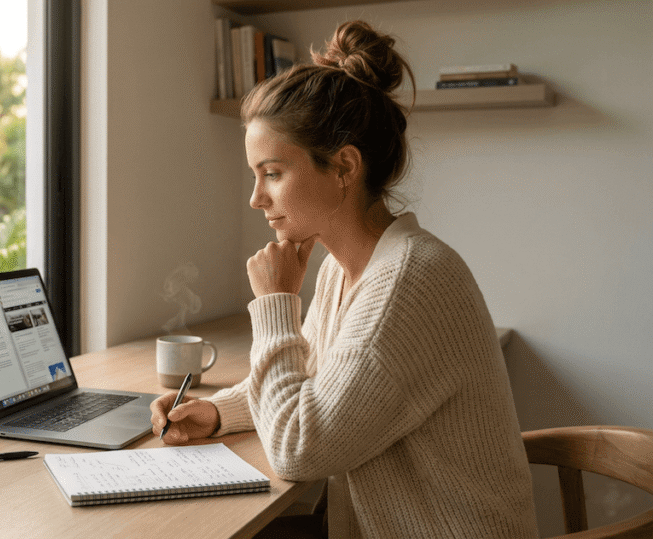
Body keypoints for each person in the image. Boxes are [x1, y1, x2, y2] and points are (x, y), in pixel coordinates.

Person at [150, 20, 539, 539]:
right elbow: (315, 381)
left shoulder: (409, 282)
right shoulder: (345, 266)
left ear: (344, 167)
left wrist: (277, 303)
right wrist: (217, 413)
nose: (256, 198)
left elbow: (296, 450)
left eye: (273, 173)